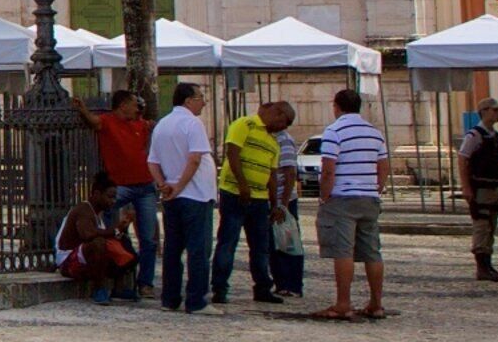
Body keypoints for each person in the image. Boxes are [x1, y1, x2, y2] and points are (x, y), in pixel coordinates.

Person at [309, 86, 389, 321]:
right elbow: (383, 165)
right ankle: (376, 303)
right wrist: (377, 188)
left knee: (343, 250)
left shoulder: (334, 131)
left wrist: (324, 195)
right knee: (373, 251)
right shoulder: (375, 133)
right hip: (369, 197)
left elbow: (328, 169)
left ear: (336, 106)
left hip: (342, 197)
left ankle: (343, 302)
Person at [214, 100, 299, 305]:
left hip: (260, 201)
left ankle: (262, 288)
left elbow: (272, 175)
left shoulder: (273, 141)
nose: (283, 128)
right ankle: (219, 288)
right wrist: (243, 185)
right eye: (284, 122)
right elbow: (232, 153)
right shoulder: (244, 124)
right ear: (277, 113)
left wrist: (275, 203)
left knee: (261, 247)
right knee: (228, 243)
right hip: (234, 194)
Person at [149, 80, 220, 313]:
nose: (203, 102)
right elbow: (195, 158)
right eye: (200, 97)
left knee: (173, 248)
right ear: (188, 100)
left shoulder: (162, 124)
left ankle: (170, 298)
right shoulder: (192, 123)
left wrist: (164, 185)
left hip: (172, 196)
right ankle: (196, 299)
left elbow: (153, 161)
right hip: (195, 194)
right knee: (198, 249)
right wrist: (179, 186)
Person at [90, 88, 159, 304]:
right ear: (122, 106)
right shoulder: (108, 122)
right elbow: (93, 122)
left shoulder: (141, 125)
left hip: (144, 184)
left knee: (149, 238)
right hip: (121, 184)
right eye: (133, 104)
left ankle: (145, 281)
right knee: (111, 229)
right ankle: (120, 270)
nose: (136, 107)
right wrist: (82, 109)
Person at [54, 193, 139, 303]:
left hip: (85, 258)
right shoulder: (82, 212)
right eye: (109, 197)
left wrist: (121, 228)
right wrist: (116, 230)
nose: (112, 202)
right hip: (70, 261)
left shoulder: (97, 216)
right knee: (98, 245)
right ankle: (99, 288)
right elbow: (89, 236)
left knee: (124, 243)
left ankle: (118, 288)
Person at [459, 108, 498, 282]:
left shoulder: (494, 136)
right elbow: (463, 159)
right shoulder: (474, 135)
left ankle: (488, 264)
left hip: (493, 185)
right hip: (480, 186)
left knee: (491, 225)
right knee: (482, 225)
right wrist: (466, 187)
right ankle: (482, 267)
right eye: (495, 110)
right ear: (485, 112)